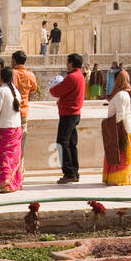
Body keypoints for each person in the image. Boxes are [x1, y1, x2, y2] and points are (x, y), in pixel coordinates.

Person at [49, 53, 85, 185]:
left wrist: (52, 88)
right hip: (75, 113)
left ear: (71, 63)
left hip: (68, 114)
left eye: (67, 62)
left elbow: (56, 91)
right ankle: (74, 172)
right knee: (71, 144)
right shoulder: (79, 75)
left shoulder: (72, 77)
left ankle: (69, 173)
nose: (66, 65)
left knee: (62, 143)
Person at [102, 68, 131, 185]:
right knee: (121, 154)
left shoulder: (121, 95)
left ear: (118, 80)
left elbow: (120, 114)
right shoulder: (125, 93)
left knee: (120, 155)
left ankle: (118, 179)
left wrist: (108, 124)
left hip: (121, 129)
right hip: (126, 127)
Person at [0, 65, 23, 193]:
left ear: (1, 77)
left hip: (6, 128)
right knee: (14, 156)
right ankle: (14, 183)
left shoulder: (1, 91)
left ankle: (4, 184)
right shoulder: (15, 90)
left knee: (3, 157)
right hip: (16, 127)